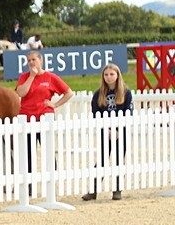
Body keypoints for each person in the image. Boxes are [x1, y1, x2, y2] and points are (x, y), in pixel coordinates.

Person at [16, 49, 74, 177]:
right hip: (27, 117)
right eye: (29, 60)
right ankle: (28, 182)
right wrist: (32, 76)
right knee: (27, 151)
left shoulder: (50, 77)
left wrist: (55, 104)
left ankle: (51, 178)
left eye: (34, 60)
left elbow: (69, 93)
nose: (31, 63)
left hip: (44, 117)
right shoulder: (24, 77)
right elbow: (21, 93)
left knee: (47, 149)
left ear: (40, 60)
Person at [83, 63, 133, 201]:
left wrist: (117, 130)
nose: (109, 77)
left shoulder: (126, 93)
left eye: (112, 74)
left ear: (117, 75)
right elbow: (95, 113)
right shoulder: (98, 94)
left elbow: (128, 112)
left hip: (120, 133)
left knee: (118, 160)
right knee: (102, 160)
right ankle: (93, 190)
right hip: (104, 132)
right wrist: (107, 129)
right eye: (106, 75)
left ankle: (117, 190)